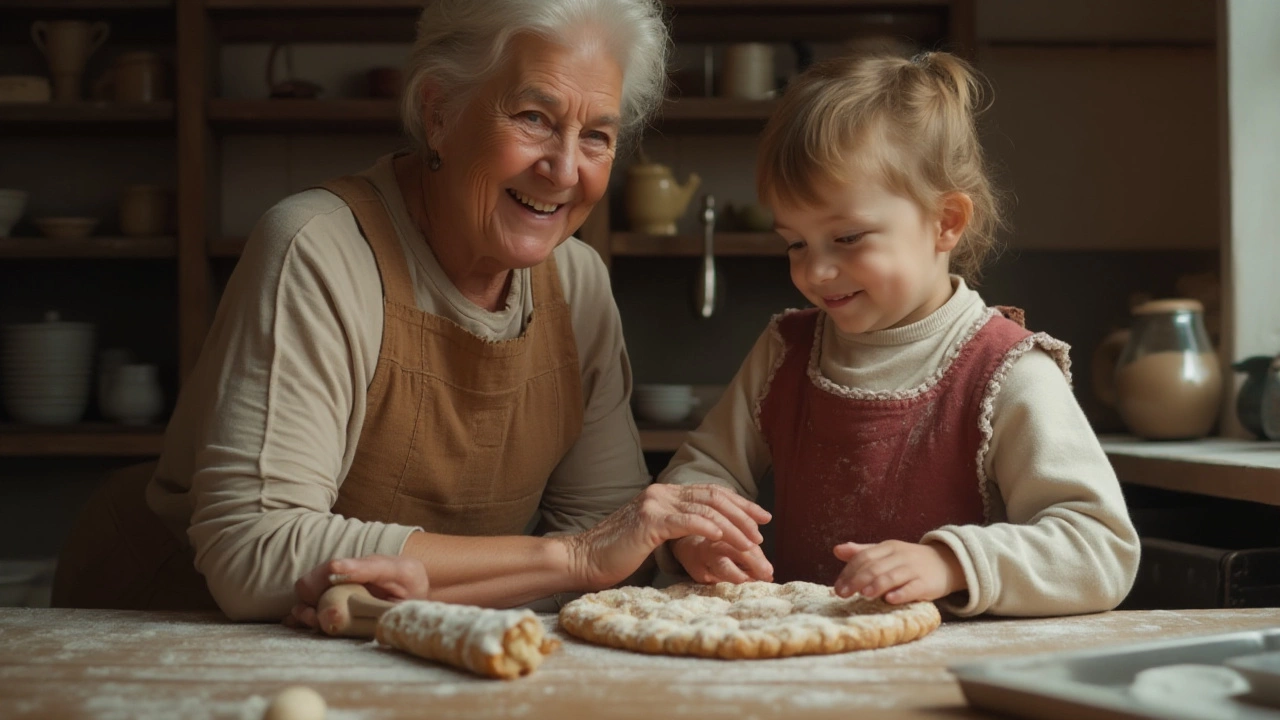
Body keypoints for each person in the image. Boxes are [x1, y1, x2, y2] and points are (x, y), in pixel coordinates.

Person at [51, 0, 770, 622]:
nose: (563, 169)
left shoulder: (578, 285)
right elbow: (254, 550)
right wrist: (570, 558)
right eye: (532, 117)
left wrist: (625, 550)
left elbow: (607, 543)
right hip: (174, 631)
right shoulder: (318, 249)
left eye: (596, 136)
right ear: (439, 113)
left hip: (389, 640)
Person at [655, 51, 1140, 617]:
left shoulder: (1008, 370)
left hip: (944, 680)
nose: (815, 271)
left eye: (848, 238)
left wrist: (951, 563)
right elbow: (703, 470)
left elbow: (1100, 549)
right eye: (795, 243)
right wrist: (698, 535)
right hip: (804, 675)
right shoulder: (784, 351)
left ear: (946, 222)